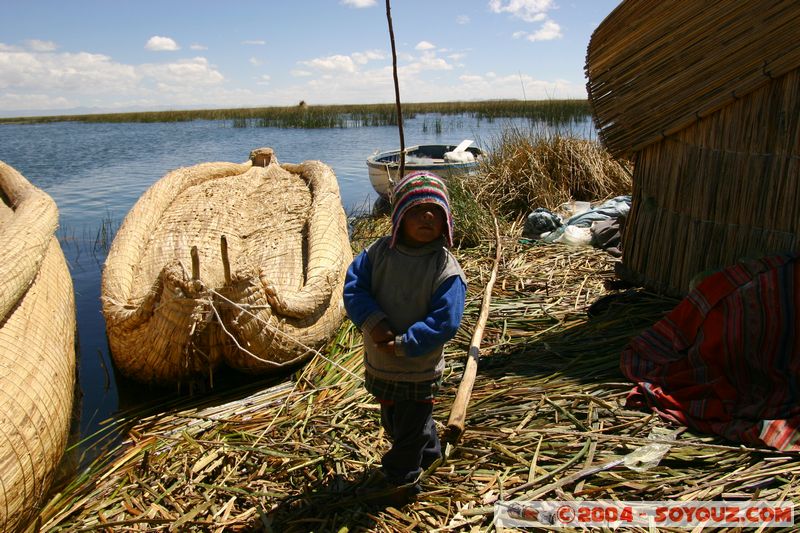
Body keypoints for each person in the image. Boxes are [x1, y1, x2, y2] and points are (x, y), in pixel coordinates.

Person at [343, 171, 467, 502]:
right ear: (399, 217)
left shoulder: (446, 269)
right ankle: (430, 454)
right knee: (394, 421)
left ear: (446, 222)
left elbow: (445, 321)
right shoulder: (376, 255)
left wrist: (404, 343)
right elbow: (354, 288)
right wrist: (373, 321)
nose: (427, 216)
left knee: (409, 426)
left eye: (436, 211)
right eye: (417, 209)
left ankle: (402, 478)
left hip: (418, 366)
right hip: (381, 361)